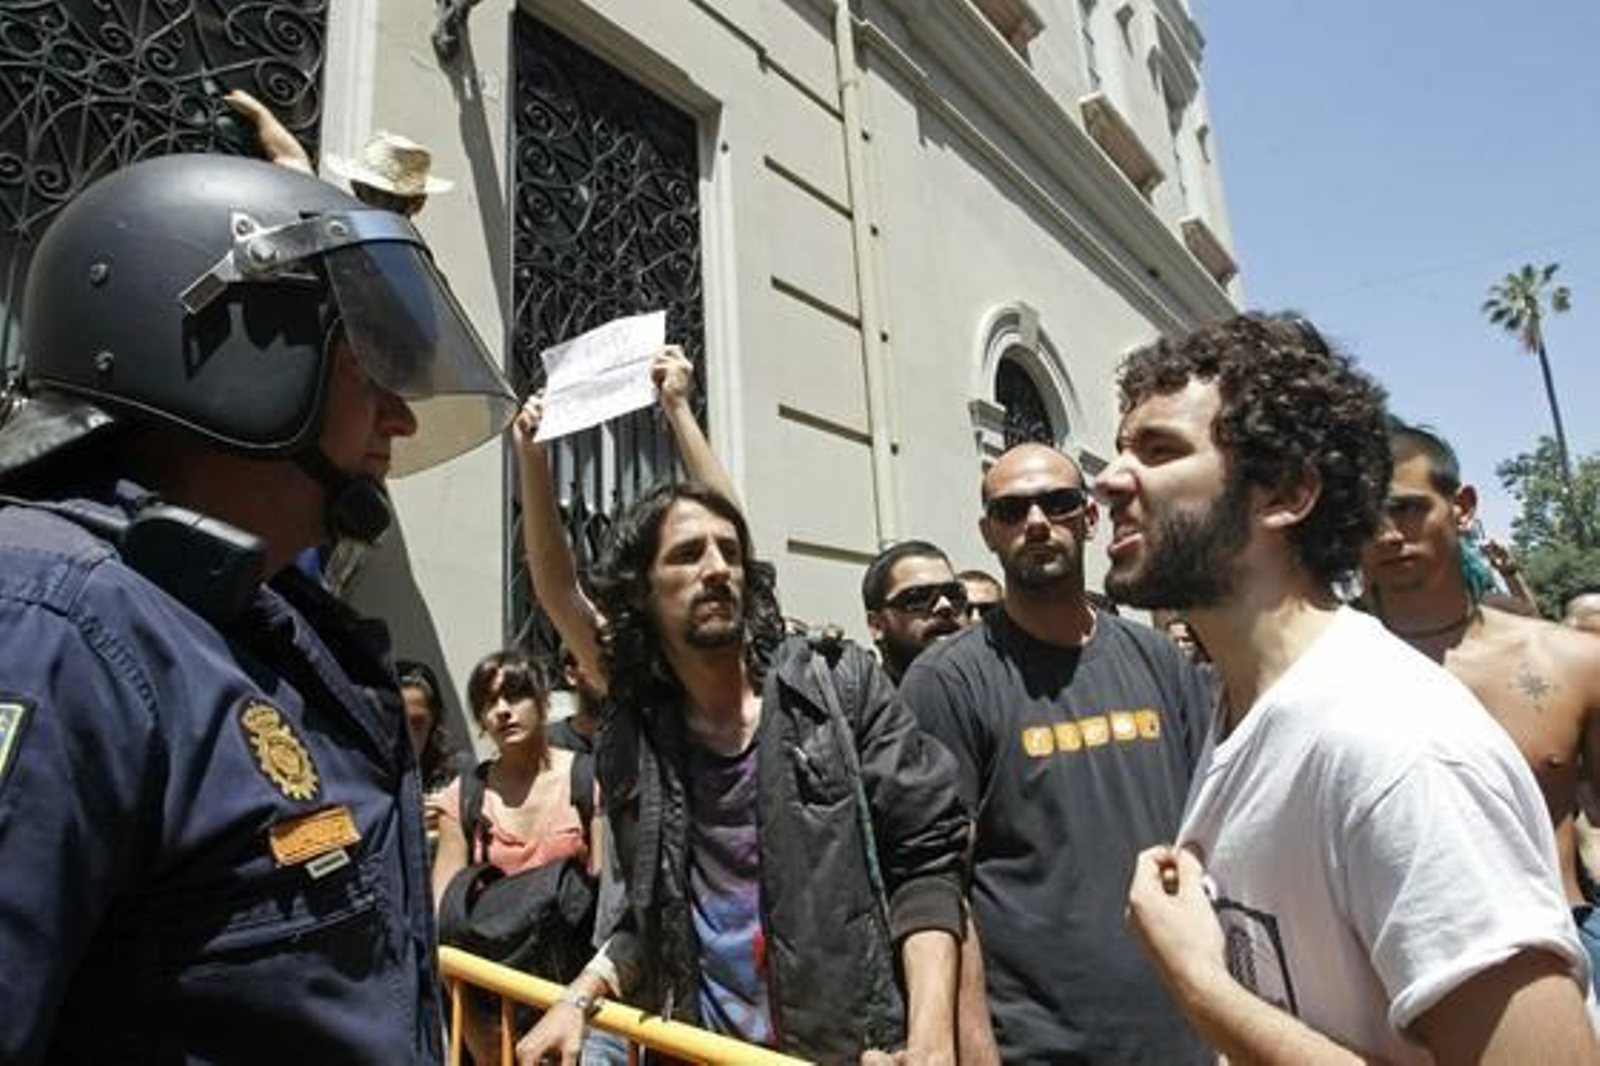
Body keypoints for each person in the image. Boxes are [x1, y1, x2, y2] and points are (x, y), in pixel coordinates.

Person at [0, 153, 516, 1062]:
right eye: (368, 371)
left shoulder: (252, 622)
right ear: (242, 364)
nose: (399, 419)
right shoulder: (52, 632)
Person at [1105, 314, 1595, 1063]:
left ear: (1288, 493)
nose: (1108, 479)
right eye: (1119, 450)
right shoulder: (1243, 708)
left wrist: (1202, 985)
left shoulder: (1395, 746)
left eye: (1161, 449)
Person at [512, 479, 970, 1063]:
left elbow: (927, 863)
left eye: (729, 552)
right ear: (641, 591)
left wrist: (930, 1041)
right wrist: (577, 1000)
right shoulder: (640, 738)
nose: (717, 568)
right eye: (687, 553)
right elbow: (650, 921)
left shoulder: (837, 688)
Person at [898, 442, 1212, 1064]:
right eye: (1012, 510)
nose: (1037, 522)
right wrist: (973, 1045)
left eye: (1058, 503)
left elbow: (1211, 837)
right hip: (1038, 1049)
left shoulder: (1157, 662)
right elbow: (937, 878)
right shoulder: (946, 683)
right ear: (989, 532)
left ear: (1089, 519)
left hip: (1187, 1035)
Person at [1361, 420, 1600, 979]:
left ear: (1462, 507)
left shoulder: (1568, 662)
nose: (1386, 534)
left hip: (1566, 948)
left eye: (1407, 508)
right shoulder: (1320, 677)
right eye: (1362, 517)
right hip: (1397, 973)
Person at [433, 648, 603, 1064]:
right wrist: (476, 1032)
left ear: (544, 701)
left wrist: (580, 1007)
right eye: (489, 703)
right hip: (492, 1009)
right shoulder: (465, 797)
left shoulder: (588, 780)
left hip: (575, 1005)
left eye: (515, 695)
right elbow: (440, 924)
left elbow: (609, 910)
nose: (503, 711)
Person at [861, 539, 967, 683]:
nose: (945, 605)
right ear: (877, 625)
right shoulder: (862, 702)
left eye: (953, 594)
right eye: (918, 597)